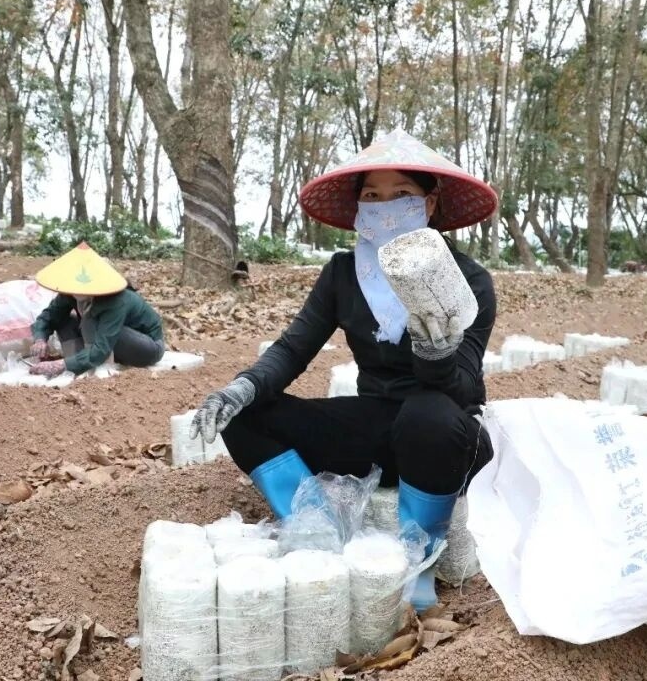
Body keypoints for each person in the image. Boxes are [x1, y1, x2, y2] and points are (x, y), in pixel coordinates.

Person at [190, 130, 499, 611]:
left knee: (427, 415)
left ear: (430, 204)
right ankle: (317, 527)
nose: (384, 206)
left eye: (401, 195)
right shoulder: (342, 273)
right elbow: (294, 348)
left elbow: (464, 387)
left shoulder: (468, 281)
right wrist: (244, 387)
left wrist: (437, 356)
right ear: (358, 211)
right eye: (372, 197)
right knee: (247, 413)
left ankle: (418, 560)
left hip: (446, 437)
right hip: (374, 424)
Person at [27, 242, 165, 377]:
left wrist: (60, 365)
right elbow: (49, 316)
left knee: (90, 320)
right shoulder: (69, 293)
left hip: (147, 346)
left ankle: (84, 365)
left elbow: (102, 347)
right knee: (64, 320)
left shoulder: (116, 300)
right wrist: (40, 338)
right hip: (109, 341)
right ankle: (76, 362)